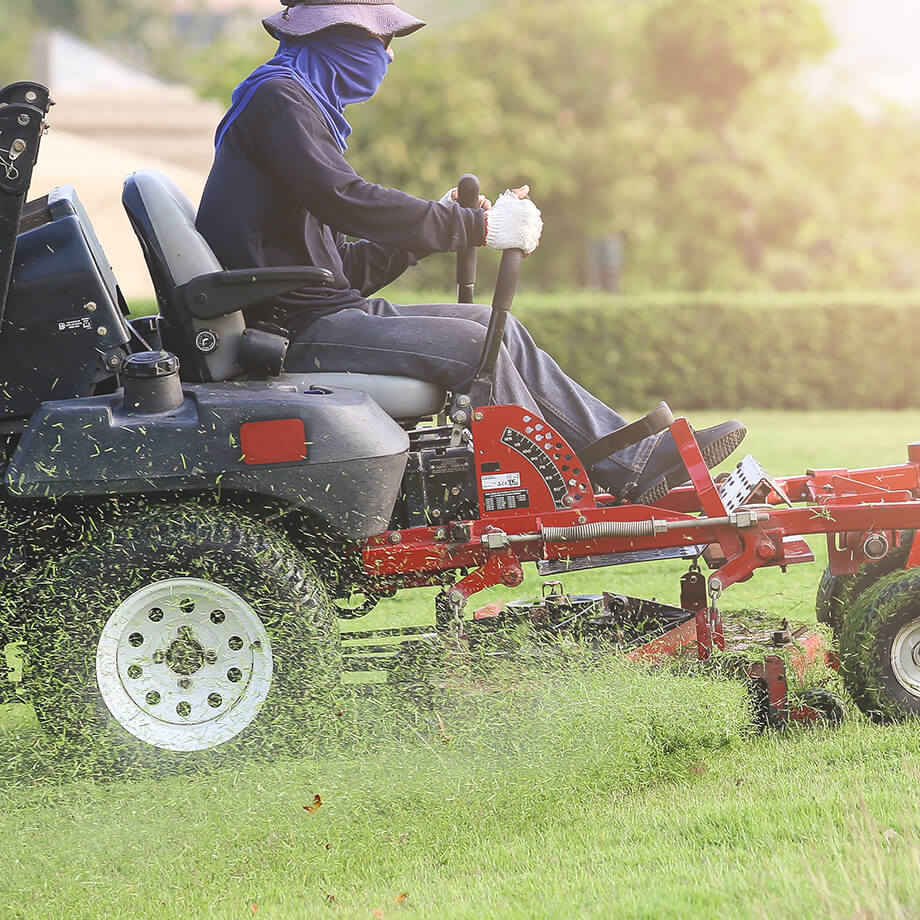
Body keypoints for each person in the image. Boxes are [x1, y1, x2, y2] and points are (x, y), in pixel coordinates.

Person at [196, 0, 746, 505]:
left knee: (491, 322)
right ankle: (553, 490)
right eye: (380, 40)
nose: (388, 55)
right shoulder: (278, 99)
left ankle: (632, 462)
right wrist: (473, 225)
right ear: (335, 38)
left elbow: (339, 272)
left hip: (313, 313)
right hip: (289, 330)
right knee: (472, 341)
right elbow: (349, 201)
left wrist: (437, 228)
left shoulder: (292, 102)